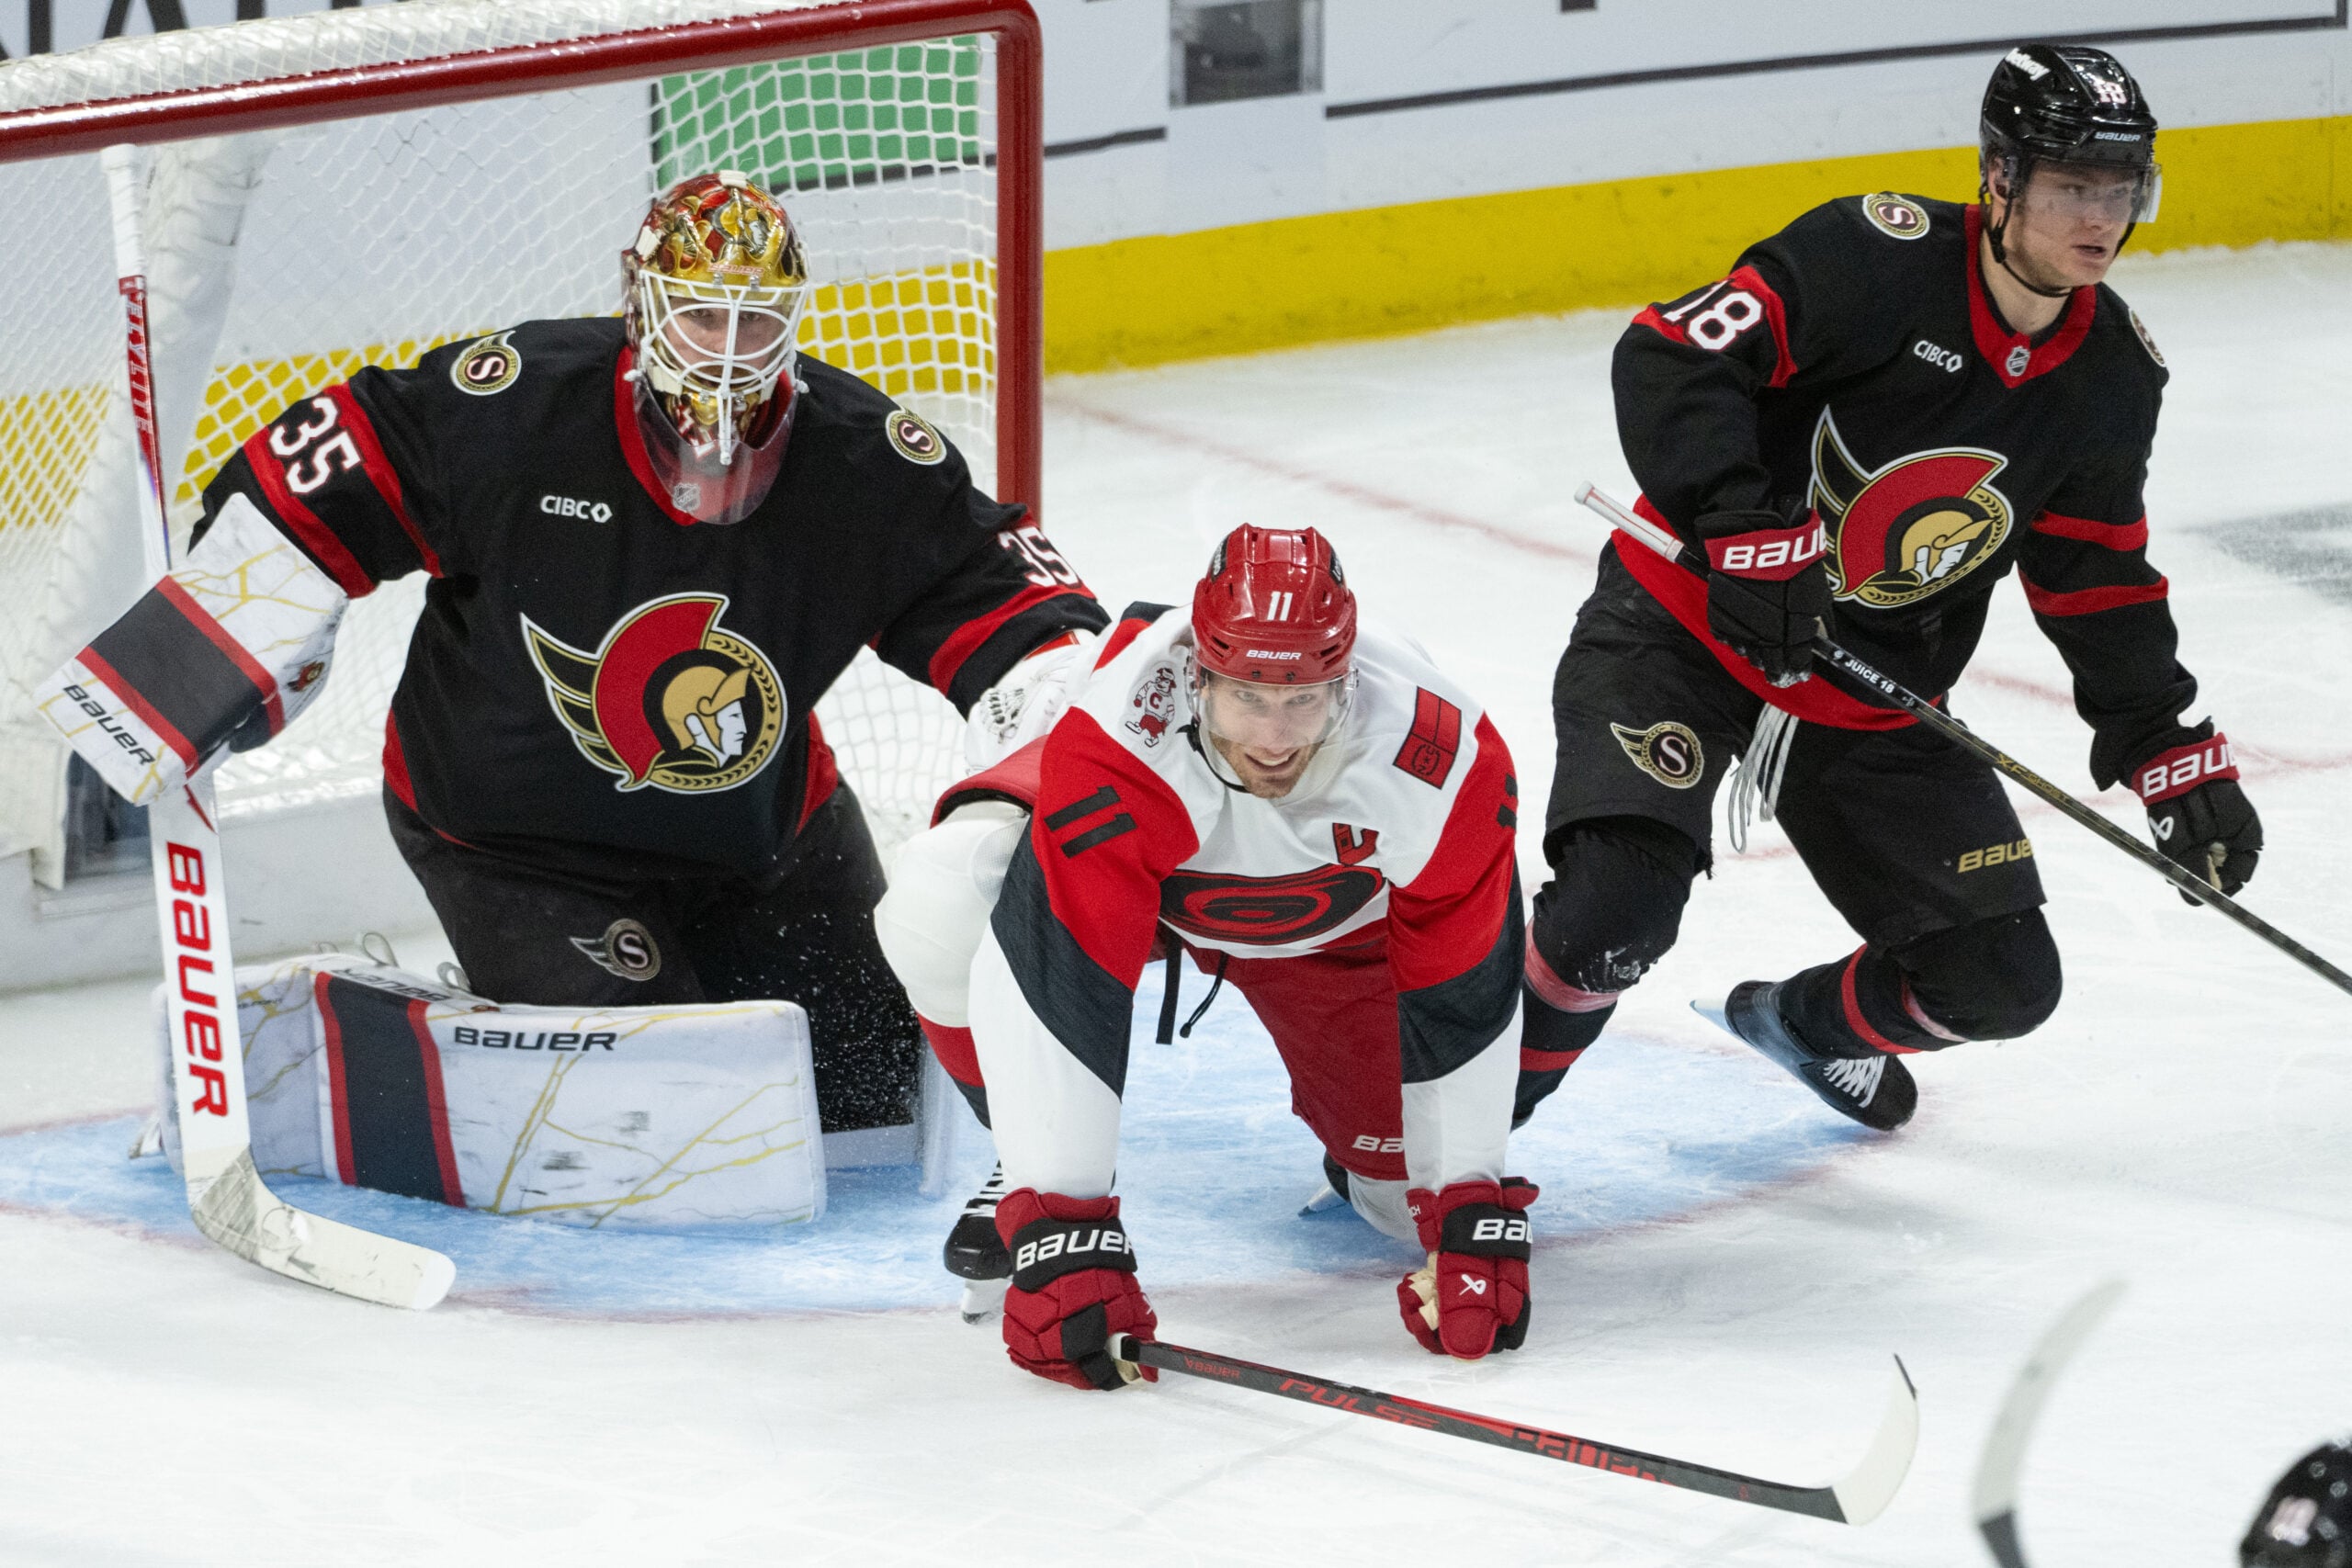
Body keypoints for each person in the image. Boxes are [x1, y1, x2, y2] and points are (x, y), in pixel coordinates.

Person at [41, 171, 1104, 1143]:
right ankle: (409, 1011)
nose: (727, 346)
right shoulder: (517, 406)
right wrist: (219, 645)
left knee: (872, 1098)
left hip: (766, 837)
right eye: (699, 312)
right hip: (517, 845)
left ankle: (536, 999)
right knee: (664, 1122)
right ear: (639, 298)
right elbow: (329, 465)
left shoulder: (864, 463)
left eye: (757, 319)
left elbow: (1008, 610)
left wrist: (1057, 743)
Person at [1514, 44, 2261, 1133]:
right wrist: (1744, 535)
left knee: (2001, 984)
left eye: (2120, 188)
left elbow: (2094, 569)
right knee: (1606, 922)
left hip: (1866, 686)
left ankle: (1803, 1030)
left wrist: (2161, 745)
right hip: (1687, 629)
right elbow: (1673, 355)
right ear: (1998, 179)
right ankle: (1444, 1137)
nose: (2099, 217)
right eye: (2069, 186)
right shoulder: (1873, 257)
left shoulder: (2110, 375)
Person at [873, 525, 1533, 1388]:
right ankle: (1020, 1158)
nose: (1274, 737)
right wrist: (1060, 1228)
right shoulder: (1117, 741)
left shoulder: (1439, 759)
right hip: (1155, 896)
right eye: (1248, 697)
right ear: (1197, 674)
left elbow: (1461, 985)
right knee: (941, 895)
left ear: (1347, 680)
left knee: (1395, 1202)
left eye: (1303, 699)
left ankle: (1366, 1152)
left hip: (1340, 937)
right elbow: (1062, 976)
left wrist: (1466, 1209)